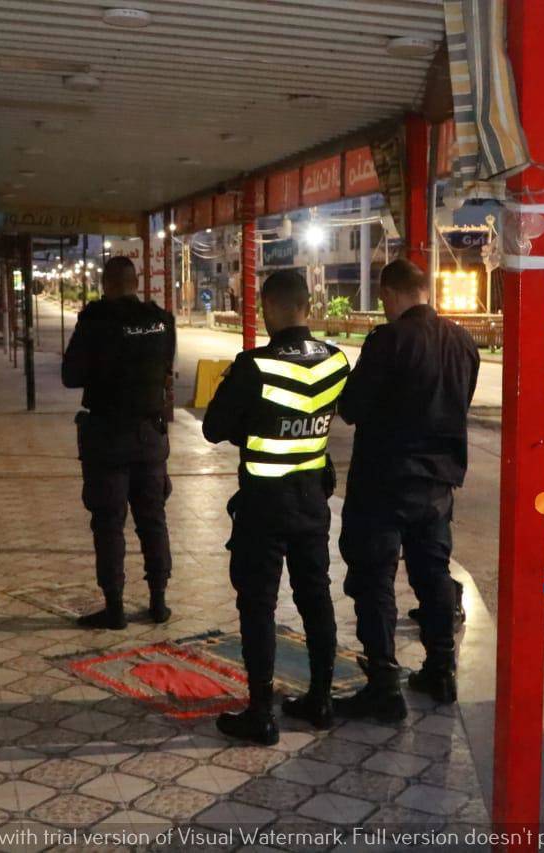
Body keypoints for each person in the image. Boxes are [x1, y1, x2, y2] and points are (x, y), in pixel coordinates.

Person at [202, 270, 350, 745]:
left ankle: (261, 713)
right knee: (316, 597)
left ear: (268, 307)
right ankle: (321, 701)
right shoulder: (335, 361)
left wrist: (253, 426)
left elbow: (213, 427)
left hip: (263, 505)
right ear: (309, 306)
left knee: (258, 604)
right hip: (312, 501)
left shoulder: (254, 366)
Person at [333, 258, 479, 720]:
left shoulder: (388, 340)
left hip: (384, 482)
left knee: (374, 579)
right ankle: (441, 669)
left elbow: (352, 407)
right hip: (438, 485)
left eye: (383, 299)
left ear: (391, 295)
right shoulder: (462, 341)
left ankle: (383, 685)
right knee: (432, 576)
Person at [62, 256, 176, 629]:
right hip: (150, 437)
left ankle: (114, 608)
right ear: (135, 282)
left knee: (109, 524)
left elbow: (70, 375)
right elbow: (165, 371)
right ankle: (158, 602)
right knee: (153, 520)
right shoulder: (162, 320)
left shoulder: (95, 320)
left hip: (108, 438)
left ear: (106, 284)